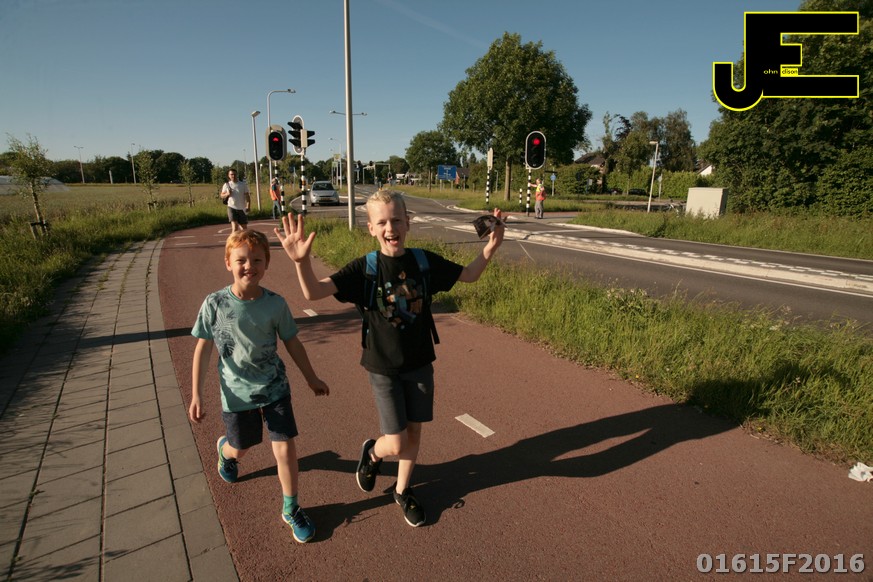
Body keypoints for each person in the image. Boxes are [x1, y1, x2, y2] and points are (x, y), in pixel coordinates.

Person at [275, 190, 504, 527]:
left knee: (414, 433)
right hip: (383, 367)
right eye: (382, 222)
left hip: (420, 363)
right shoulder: (365, 269)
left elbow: (469, 275)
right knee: (395, 442)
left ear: (408, 222)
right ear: (371, 228)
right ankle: (372, 453)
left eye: (396, 220)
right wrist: (300, 262)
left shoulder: (423, 262)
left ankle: (402, 489)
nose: (390, 227)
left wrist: (491, 247)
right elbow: (314, 292)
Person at [188, 229, 330, 543]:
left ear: (266, 264)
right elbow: (203, 349)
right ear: (228, 262)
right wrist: (196, 393)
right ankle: (226, 452)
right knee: (242, 445)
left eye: (256, 260)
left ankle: (291, 507)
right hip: (237, 393)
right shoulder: (215, 304)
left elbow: (292, 343)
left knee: (285, 447)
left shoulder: (275, 304)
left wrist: (311, 378)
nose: (249, 266)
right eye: (241, 260)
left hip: (275, 387)